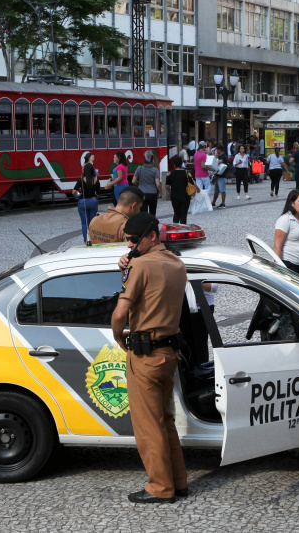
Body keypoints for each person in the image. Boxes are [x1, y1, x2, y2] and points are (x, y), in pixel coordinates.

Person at [111, 212, 188, 503]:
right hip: (169, 353)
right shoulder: (176, 263)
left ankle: (159, 487)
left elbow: (120, 313)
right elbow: (155, 293)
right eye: (127, 240)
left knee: (148, 425)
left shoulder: (140, 266)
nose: (129, 245)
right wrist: (129, 266)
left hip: (144, 353)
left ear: (151, 236)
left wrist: (119, 336)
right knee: (165, 420)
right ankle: (178, 481)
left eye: (133, 240)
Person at [73, 156, 101, 245]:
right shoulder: (96, 180)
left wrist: (79, 195)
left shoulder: (81, 180)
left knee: (84, 223)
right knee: (92, 223)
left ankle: (86, 240)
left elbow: (74, 192)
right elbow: (98, 194)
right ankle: (93, 239)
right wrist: (95, 197)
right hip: (93, 202)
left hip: (83, 202)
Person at [165, 156, 194, 224]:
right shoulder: (187, 173)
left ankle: (175, 229)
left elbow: (167, 186)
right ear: (181, 164)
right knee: (183, 214)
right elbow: (192, 184)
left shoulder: (170, 173)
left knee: (176, 213)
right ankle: (182, 230)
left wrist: (170, 192)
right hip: (185, 196)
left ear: (174, 164)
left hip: (174, 196)